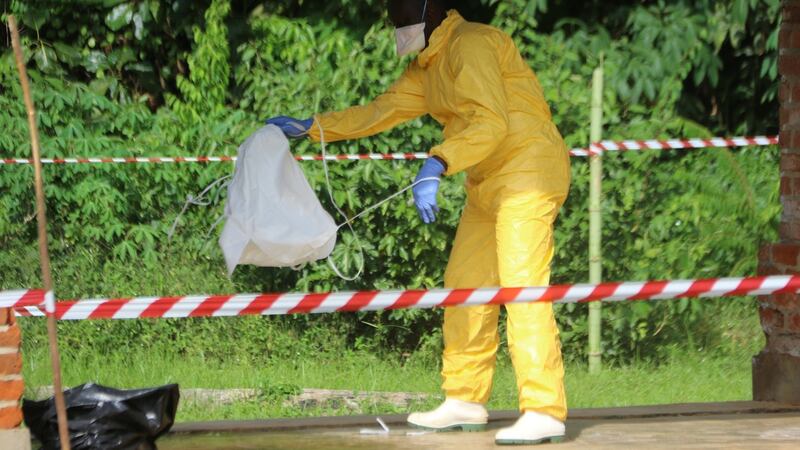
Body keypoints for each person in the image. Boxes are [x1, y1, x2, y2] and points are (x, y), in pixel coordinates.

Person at [267, 0, 570, 445]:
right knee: (464, 285)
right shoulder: (429, 68)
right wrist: (311, 127)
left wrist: (437, 162)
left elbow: (492, 121)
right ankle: (465, 399)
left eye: (400, 11)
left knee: (521, 287)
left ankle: (544, 409)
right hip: (485, 177)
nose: (394, 20)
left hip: (528, 171)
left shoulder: (473, 42)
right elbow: (379, 112)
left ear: (430, 11)